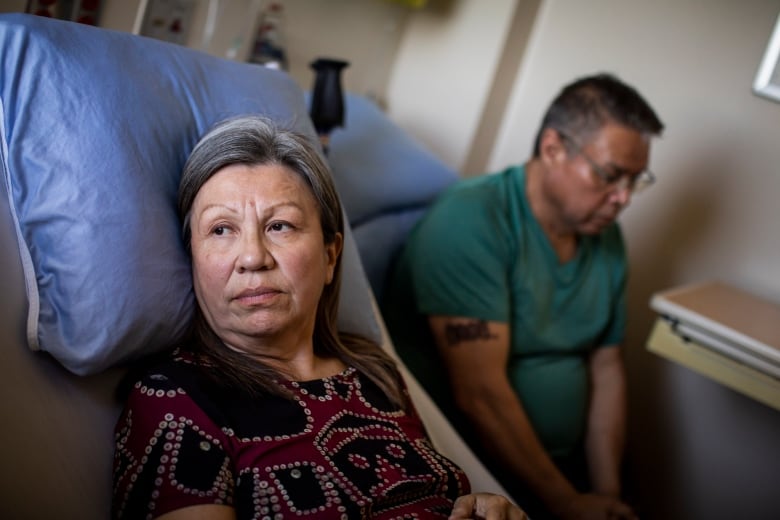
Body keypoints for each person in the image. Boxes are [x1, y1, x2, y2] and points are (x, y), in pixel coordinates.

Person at [112, 115, 528, 520]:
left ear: (330, 255)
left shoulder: (376, 372)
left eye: (280, 225)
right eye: (221, 230)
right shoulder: (175, 400)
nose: (253, 257)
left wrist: (483, 506)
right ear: (193, 259)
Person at [381, 73, 664, 520]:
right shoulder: (471, 219)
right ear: (553, 149)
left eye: (635, 181)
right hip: (476, 476)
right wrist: (566, 503)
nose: (624, 198)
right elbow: (481, 394)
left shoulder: (606, 237)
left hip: (567, 474)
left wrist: (606, 494)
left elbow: (607, 369)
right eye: (611, 176)